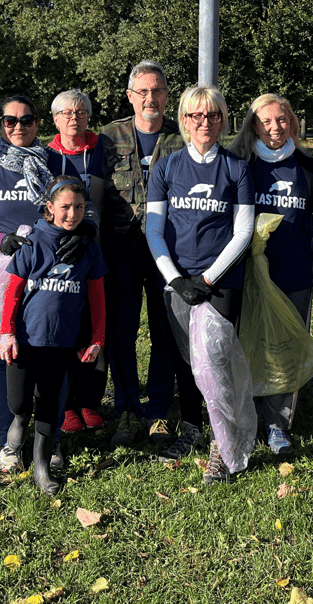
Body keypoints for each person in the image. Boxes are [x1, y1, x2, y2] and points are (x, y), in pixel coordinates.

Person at [0, 94, 89, 472]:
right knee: (4, 355)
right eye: (9, 121)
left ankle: (51, 440)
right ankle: (7, 443)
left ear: (38, 124)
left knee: (53, 356)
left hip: (53, 277)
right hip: (2, 274)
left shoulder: (56, 162)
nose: (18, 127)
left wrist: (86, 230)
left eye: (26, 120)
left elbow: (84, 208)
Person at [146, 84, 254, 483]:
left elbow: (243, 231)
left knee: (216, 362)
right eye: (195, 115)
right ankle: (192, 429)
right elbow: (154, 230)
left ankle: (221, 448)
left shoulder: (236, 168)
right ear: (184, 120)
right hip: (178, 280)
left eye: (212, 115)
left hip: (221, 281)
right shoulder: (167, 167)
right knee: (187, 363)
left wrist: (208, 278)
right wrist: (176, 279)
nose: (204, 122)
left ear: (223, 120)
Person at [0, 177, 107, 494]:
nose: (72, 214)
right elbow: (12, 293)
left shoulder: (88, 249)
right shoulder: (33, 243)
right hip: (25, 342)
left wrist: (96, 337)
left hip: (62, 343)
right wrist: (7, 333)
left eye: (79, 207)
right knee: (19, 403)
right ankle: (17, 428)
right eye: (65, 207)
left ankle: (41, 470)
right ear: (49, 208)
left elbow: (97, 299)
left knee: (48, 406)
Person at [98, 61, 185, 449]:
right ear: (130, 95)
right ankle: (128, 409)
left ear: (168, 95)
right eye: (143, 91)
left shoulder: (183, 137)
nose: (151, 98)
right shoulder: (107, 138)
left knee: (165, 333)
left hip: (169, 252)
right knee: (122, 333)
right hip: (120, 252)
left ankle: (159, 412)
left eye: (159, 90)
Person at [229, 93, 313, 456]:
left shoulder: (306, 164)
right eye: (266, 121)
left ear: (292, 122)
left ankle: (278, 424)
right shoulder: (241, 164)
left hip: (294, 271)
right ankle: (248, 418)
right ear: (253, 125)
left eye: (281, 120)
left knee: (286, 346)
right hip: (249, 272)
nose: (275, 127)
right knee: (247, 345)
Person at [46, 89, 109, 433]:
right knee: (67, 325)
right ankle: (68, 403)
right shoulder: (46, 156)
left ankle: (90, 400)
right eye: (67, 112)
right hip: (60, 252)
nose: (74, 117)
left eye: (81, 111)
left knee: (96, 323)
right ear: (55, 119)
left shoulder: (102, 148)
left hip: (96, 247)